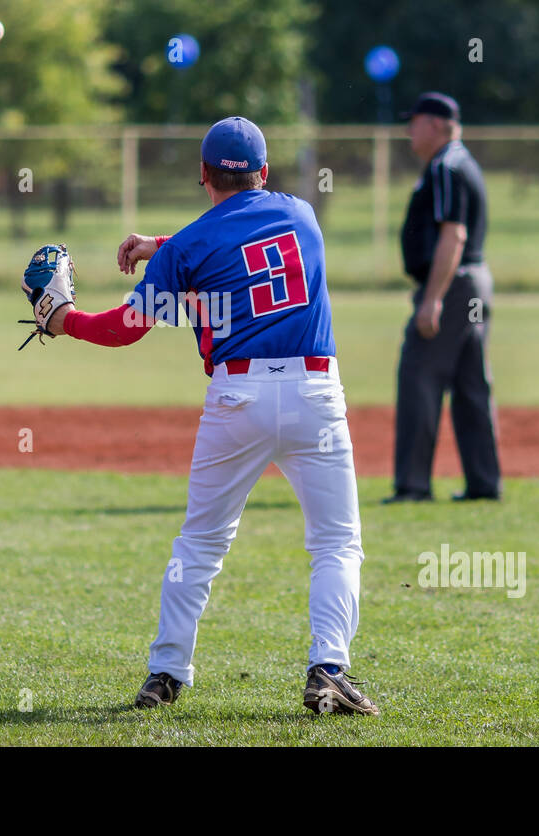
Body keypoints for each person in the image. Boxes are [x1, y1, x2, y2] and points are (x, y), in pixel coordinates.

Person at [21, 117, 377, 715]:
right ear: (264, 172)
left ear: (202, 175)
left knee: (202, 542)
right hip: (317, 393)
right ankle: (328, 669)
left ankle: (164, 674)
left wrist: (63, 320)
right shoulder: (302, 214)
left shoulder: (190, 248)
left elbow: (126, 329)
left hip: (237, 400)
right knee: (336, 543)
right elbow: (244, 239)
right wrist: (163, 245)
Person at [384, 93, 501, 503]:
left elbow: (454, 235)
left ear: (435, 124)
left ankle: (413, 486)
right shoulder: (457, 162)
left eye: (414, 122)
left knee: (419, 375)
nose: (408, 130)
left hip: (453, 286)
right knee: (471, 386)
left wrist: (432, 298)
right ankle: (484, 485)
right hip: (472, 282)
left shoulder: (447, 166)